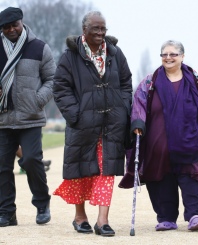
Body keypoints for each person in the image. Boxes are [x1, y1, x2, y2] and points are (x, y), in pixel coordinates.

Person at [120, 40, 198, 232]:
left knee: (191, 176)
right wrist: (138, 124)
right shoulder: (150, 82)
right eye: (164, 54)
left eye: (173, 54)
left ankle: (195, 215)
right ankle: (166, 217)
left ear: (182, 56)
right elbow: (139, 104)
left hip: (191, 141)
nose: (168, 58)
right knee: (161, 178)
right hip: (158, 143)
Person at [53, 11, 132, 236]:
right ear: (84, 30)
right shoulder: (70, 56)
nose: (100, 33)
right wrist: (75, 115)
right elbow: (60, 87)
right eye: (95, 29)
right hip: (82, 124)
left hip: (111, 123)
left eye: (103, 29)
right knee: (81, 169)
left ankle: (102, 220)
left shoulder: (116, 54)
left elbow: (126, 82)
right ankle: (80, 216)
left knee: (106, 170)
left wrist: (123, 108)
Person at [0, 7, 54, 227]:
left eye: (15, 25)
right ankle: (6, 213)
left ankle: (42, 204)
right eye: (7, 27)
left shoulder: (39, 47)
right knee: (2, 166)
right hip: (3, 119)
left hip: (30, 116)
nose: (12, 29)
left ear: (22, 23)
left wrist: (37, 99)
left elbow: (52, 80)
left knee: (31, 159)